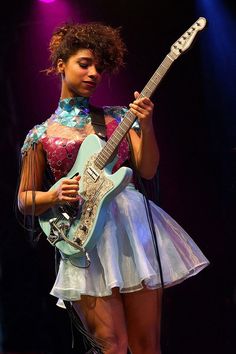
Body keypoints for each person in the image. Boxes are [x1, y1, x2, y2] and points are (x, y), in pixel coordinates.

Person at [17, 22, 209, 354]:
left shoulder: (118, 117)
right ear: (61, 64)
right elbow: (24, 199)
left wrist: (146, 125)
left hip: (132, 232)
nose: (93, 73)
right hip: (85, 239)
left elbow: (147, 169)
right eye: (84, 63)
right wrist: (51, 196)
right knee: (111, 346)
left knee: (147, 345)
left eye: (99, 68)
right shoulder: (40, 134)